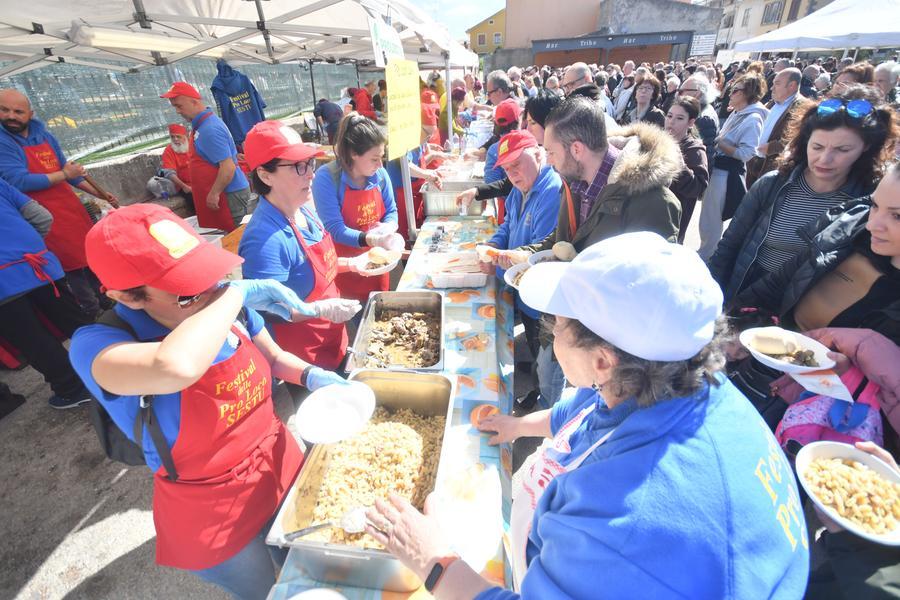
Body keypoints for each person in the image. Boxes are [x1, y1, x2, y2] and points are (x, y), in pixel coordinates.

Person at [366, 232, 809, 599]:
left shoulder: (624, 520)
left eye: (556, 327)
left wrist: (433, 561)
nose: (552, 336)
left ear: (602, 361)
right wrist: (519, 426)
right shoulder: (675, 377)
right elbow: (588, 410)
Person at [69, 204, 347, 599]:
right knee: (268, 592)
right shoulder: (98, 345)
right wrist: (236, 295)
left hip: (280, 463)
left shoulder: (224, 303)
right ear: (127, 297)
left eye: (207, 273)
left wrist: (312, 376)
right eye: (185, 290)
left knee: (315, 570)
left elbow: (272, 356)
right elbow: (175, 365)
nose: (208, 291)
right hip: (214, 512)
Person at [710, 87, 895, 301]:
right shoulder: (771, 185)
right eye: (817, 147)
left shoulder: (870, 202)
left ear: (866, 147)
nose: (825, 159)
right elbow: (729, 246)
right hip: (747, 292)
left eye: (842, 150)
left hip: (807, 310)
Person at [238, 121, 364, 370]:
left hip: (334, 337)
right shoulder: (264, 239)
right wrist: (318, 309)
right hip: (304, 359)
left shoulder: (305, 210)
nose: (311, 173)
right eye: (298, 166)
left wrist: (352, 263)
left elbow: (314, 267)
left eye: (310, 163)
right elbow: (268, 311)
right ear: (265, 175)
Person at [733, 163, 900, 345]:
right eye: (874, 206)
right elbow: (774, 286)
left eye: (897, 216)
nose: (872, 225)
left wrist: (851, 372)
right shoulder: (846, 229)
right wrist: (735, 328)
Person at [0, 88, 117, 318]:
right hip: (41, 213)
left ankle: (108, 299)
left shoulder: (44, 136)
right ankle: (93, 312)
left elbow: (69, 172)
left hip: (70, 209)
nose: (11, 116)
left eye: (18, 111)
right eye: (4, 110)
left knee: (89, 257)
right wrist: (64, 174)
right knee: (71, 268)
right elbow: (18, 181)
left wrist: (99, 193)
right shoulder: (3, 143)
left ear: (30, 114)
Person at [0, 178, 91, 409]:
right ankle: (114, 363)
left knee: (34, 340)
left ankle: (73, 389)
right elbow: (42, 217)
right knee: (75, 320)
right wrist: (28, 248)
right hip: (39, 265)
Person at [479, 130, 561, 361]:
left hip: (542, 300)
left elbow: (539, 256)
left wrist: (495, 266)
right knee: (534, 346)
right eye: (506, 168)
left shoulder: (551, 192)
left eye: (517, 164)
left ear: (537, 154)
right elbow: (507, 224)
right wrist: (493, 245)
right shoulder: (518, 188)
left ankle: (544, 396)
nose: (512, 173)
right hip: (524, 294)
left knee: (548, 361)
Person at [311, 113, 401, 304]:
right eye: (374, 159)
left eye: (382, 158)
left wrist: (388, 228)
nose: (380, 164)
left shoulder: (381, 175)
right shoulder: (327, 178)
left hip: (378, 263)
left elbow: (392, 210)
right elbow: (335, 229)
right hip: (346, 267)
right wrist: (372, 238)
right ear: (353, 153)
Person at [161, 82, 251, 232]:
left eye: (179, 106)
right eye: (174, 107)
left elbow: (227, 167)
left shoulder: (209, 129)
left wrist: (214, 193)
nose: (177, 111)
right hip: (227, 194)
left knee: (237, 237)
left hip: (229, 195)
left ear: (194, 102)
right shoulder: (203, 125)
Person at [697, 72, 769, 260]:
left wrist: (718, 142)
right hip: (720, 170)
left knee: (712, 220)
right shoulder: (738, 114)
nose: (731, 93)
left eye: (735, 90)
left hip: (725, 173)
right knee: (708, 218)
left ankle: (706, 258)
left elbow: (747, 154)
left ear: (748, 93)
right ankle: (706, 254)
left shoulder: (752, 118)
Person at [746, 68, 807, 188]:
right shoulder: (772, 103)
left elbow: (797, 137)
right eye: (773, 83)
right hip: (753, 160)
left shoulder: (801, 107)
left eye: (777, 84)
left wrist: (772, 147)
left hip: (771, 166)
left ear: (792, 85)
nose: (771, 88)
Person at [665, 97, 710, 243]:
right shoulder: (660, 141)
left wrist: (679, 163)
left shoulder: (694, 150)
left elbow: (698, 187)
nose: (671, 122)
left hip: (672, 221)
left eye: (679, 118)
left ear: (690, 122)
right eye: (669, 116)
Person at [678, 73, 720, 166]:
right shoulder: (699, 111)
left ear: (697, 93)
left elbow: (700, 156)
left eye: (681, 91)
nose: (678, 95)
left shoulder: (703, 119)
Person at [484, 99, 521, 185]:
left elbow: (491, 183)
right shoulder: (527, 143)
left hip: (505, 197)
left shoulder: (494, 150)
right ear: (518, 121)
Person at [160, 124, 193, 211]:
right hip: (184, 185)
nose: (175, 139)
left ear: (185, 136)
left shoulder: (193, 145)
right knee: (195, 200)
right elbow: (169, 173)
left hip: (200, 182)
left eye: (178, 136)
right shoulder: (168, 151)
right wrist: (184, 187)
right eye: (172, 137)